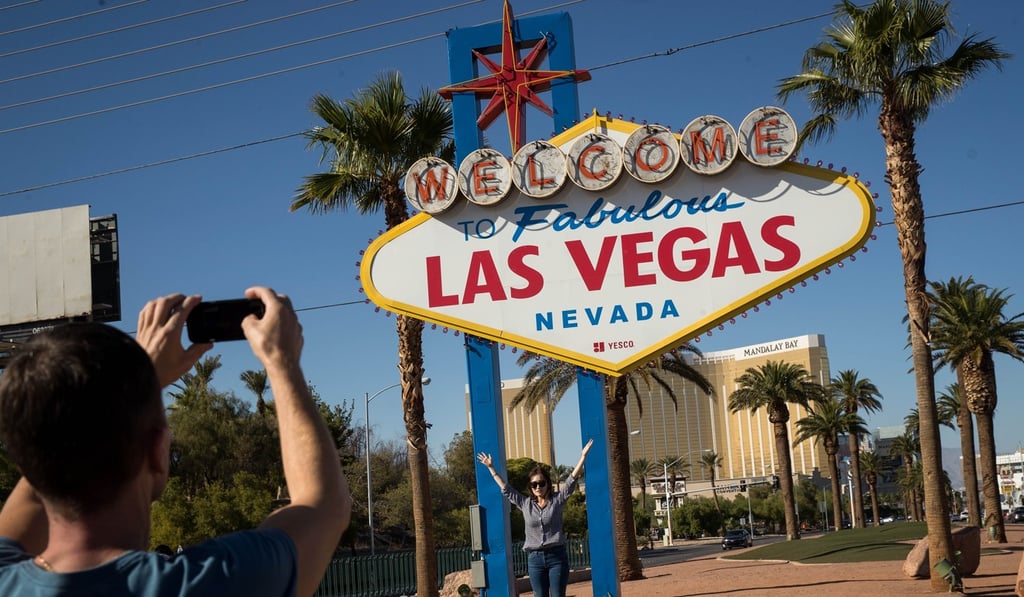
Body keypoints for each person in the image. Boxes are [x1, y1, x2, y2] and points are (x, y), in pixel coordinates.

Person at [0, 288, 352, 596]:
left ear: (26, 462)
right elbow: (324, 506)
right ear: (158, 451)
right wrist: (282, 361)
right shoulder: (218, 583)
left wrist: (135, 389)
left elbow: (42, 454)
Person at [477, 439, 593, 597]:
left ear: (547, 484)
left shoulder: (557, 500)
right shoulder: (525, 504)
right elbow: (506, 489)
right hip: (535, 560)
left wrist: (583, 457)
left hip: (557, 557)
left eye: (541, 483)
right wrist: (491, 468)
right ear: (531, 487)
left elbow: (571, 481)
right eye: (534, 485)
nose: (538, 487)